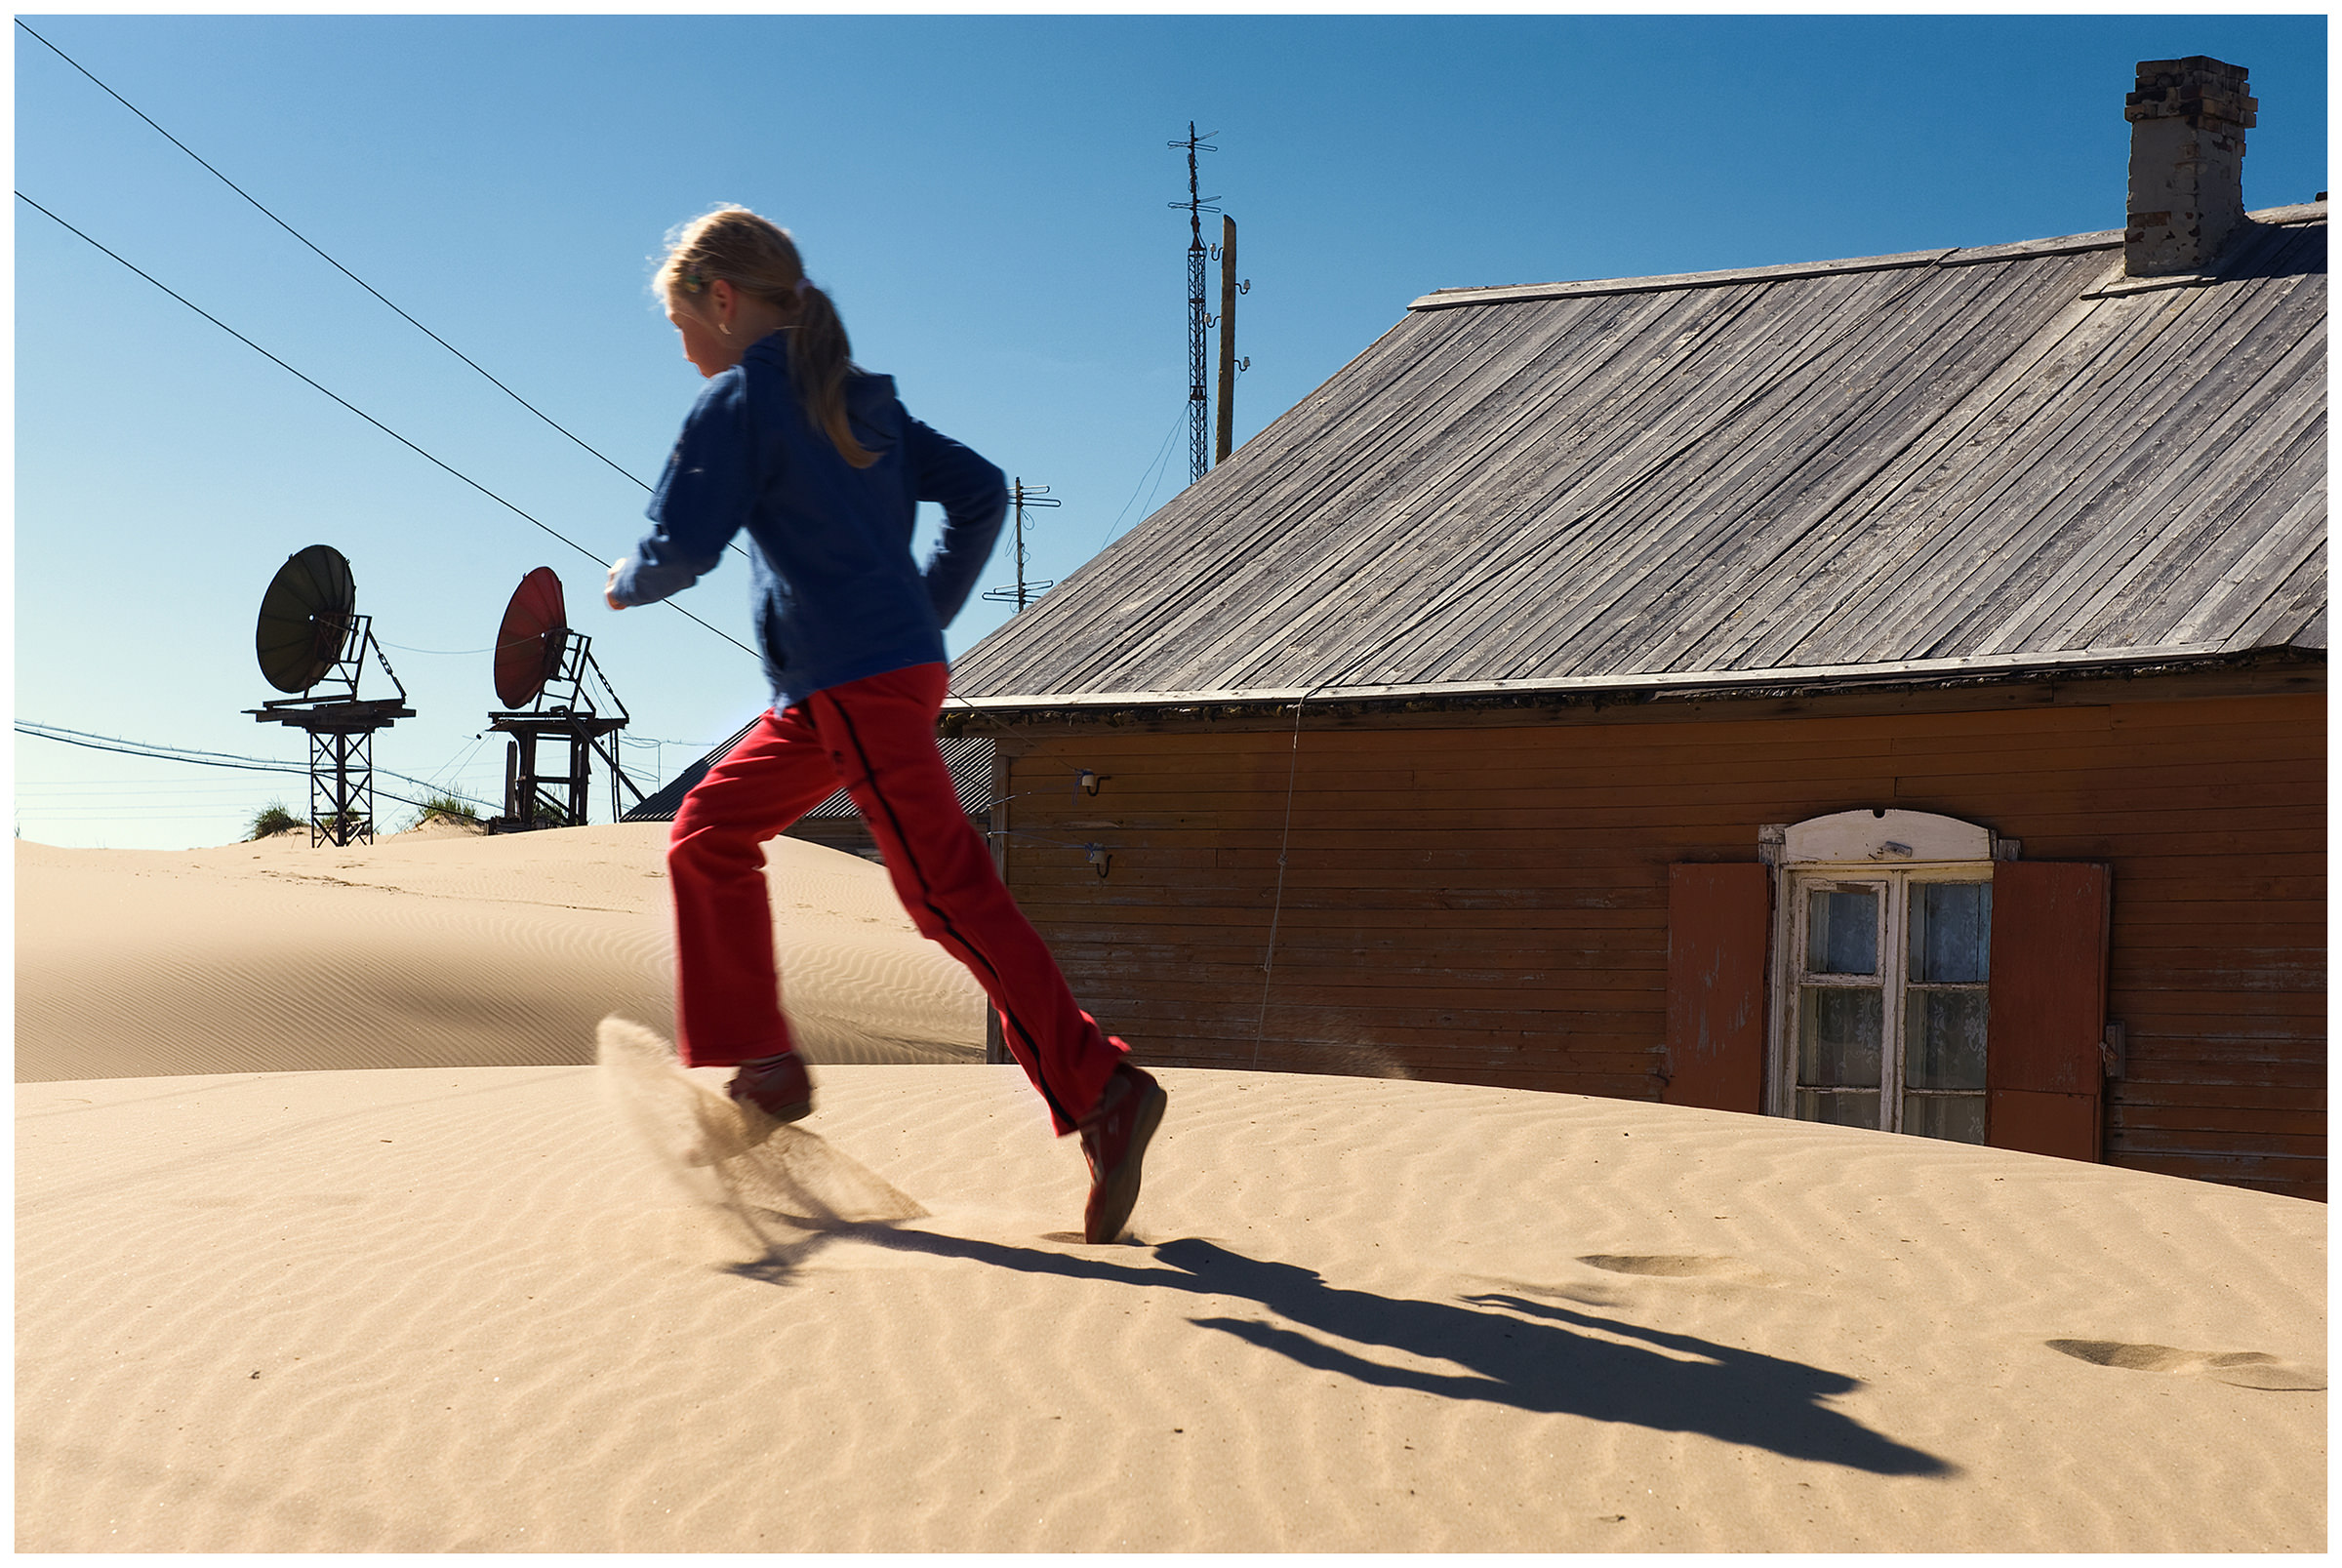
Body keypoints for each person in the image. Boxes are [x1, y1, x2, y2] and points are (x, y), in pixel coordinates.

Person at [605, 205, 1164, 1245]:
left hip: (854, 685)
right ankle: (764, 1064)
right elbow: (982, 493)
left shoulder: (744, 401)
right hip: (841, 690)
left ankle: (1102, 1089)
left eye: (682, 321)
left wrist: (628, 579)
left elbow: (681, 545)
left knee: (947, 894)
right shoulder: (854, 401)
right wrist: (925, 610)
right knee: (709, 832)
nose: (682, 347)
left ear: (723, 301)